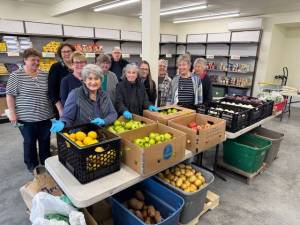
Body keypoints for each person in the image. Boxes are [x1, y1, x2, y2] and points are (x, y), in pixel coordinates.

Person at [6, 48, 54, 172]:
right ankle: (31, 164)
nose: (36, 62)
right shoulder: (16, 75)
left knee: (45, 140)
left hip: (45, 115)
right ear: (25, 60)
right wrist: (12, 113)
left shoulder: (44, 74)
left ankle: (46, 160)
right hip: (26, 117)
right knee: (29, 141)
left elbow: (50, 94)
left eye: (38, 60)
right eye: (33, 60)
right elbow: (10, 95)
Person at [50, 64, 118, 131]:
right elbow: (67, 117)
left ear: (101, 81)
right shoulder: (75, 94)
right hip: (82, 137)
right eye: (90, 78)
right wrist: (62, 122)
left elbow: (113, 113)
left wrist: (104, 121)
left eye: (96, 78)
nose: (93, 82)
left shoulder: (104, 95)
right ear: (85, 80)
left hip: (102, 135)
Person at [48, 43, 75, 118]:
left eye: (69, 51)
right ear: (60, 54)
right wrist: (60, 109)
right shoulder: (56, 67)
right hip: (63, 106)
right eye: (63, 52)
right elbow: (52, 90)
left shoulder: (78, 66)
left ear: (73, 52)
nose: (66, 54)